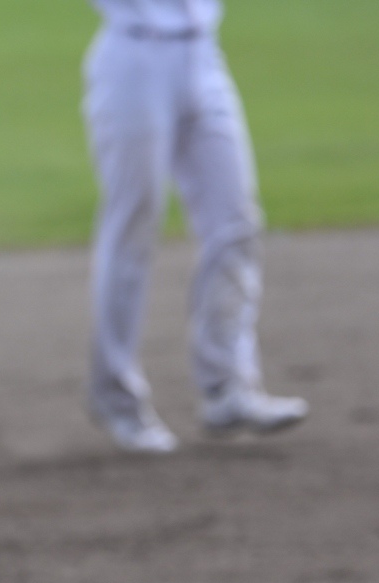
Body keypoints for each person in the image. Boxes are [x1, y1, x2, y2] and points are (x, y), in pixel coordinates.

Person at [82, 0, 306, 452]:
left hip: (204, 55)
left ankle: (227, 386)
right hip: (134, 59)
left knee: (235, 223)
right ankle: (116, 397)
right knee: (132, 231)